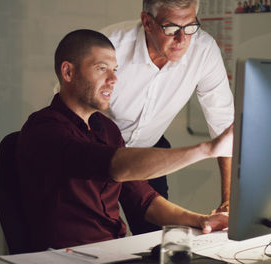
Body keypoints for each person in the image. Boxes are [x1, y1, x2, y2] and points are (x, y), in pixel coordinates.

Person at [15, 29, 231, 252]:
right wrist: (207, 149)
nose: (113, 79)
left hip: (112, 253)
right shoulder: (44, 129)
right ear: (68, 72)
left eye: (115, 70)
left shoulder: (108, 129)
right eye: (101, 69)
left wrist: (201, 220)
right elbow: (116, 166)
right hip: (66, 257)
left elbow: (143, 200)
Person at [99, 0, 234, 234]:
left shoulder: (203, 51)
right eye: (171, 29)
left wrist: (229, 204)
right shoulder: (109, 46)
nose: (182, 40)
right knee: (94, 239)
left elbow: (225, 131)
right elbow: (72, 113)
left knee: (156, 240)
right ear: (147, 22)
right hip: (96, 155)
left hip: (148, 154)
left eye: (190, 27)